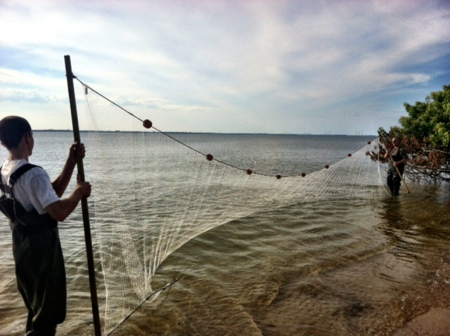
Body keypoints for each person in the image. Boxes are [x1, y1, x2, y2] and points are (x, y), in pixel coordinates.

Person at [0, 116, 91, 336]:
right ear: (28, 137)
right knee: (47, 317)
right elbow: (59, 212)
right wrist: (80, 192)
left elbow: (51, 195)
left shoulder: (5, 171)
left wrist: (71, 161)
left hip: (22, 250)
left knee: (36, 309)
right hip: (41, 253)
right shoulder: (33, 173)